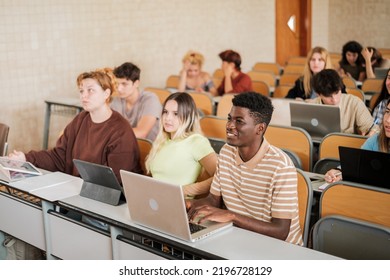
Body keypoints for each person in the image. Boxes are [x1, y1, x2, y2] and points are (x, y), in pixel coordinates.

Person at [187, 92, 303, 245]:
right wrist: (187, 204)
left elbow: (280, 231)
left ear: (259, 128)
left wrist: (231, 216)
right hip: (238, 237)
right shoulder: (227, 152)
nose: (229, 125)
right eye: (230, 118)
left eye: (239, 121)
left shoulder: (281, 166)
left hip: (279, 249)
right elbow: (213, 200)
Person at [8, 68, 142, 182]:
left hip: (107, 200)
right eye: (81, 91)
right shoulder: (81, 119)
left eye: (90, 90)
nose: (84, 96)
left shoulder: (120, 131)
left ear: (106, 94)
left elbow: (115, 180)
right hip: (77, 188)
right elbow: (58, 157)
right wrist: (26, 158)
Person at [145, 92, 217, 197]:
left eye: (176, 114)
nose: (168, 118)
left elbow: (221, 177)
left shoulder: (197, 142)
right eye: (165, 112)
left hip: (179, 204)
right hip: (155, 200)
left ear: (188, 117)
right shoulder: (162, 140)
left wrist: (186, 190)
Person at [325, 98, 390, 183]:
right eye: (387, 112)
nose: (388, 120)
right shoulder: (376, 139)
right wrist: (338, 171)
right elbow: (356, 165)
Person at [312, 69, 379, 136]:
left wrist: (372, 132)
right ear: (318, 94)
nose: (335, 100)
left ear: (340, 88)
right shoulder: (312, 106)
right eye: (328, 96)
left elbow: (372, 128)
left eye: (337, 93)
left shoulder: (354, 103)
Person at [111, 62, 162, 141]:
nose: (119, 89)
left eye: (124, 84)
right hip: (125, 145)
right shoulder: (116, 100)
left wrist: (111, 134)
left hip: (150, 149)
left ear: (136, 83)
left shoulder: (150, 99)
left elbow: (141, 133)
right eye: (117, 84)